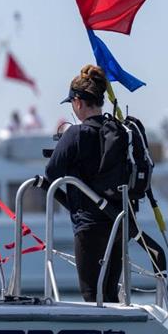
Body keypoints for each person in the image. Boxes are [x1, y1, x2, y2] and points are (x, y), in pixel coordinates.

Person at [45, 64, 124, 302]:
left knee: (92, 295)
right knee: (110, 294)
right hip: (118, 222)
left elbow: (51, 173)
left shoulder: (75, 134)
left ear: (78, 102)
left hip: (89, 226)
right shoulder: (119, 131)